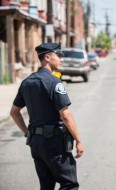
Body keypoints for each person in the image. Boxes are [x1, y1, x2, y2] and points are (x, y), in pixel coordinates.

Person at [10, 42, 84, 190]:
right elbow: (66, 115)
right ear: (48, 57)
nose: (62, 59)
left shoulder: (27, 82)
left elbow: (14, 112)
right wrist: (78, 140)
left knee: (46, 186)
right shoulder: (53, 82)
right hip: (54, 143)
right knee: (69, 184)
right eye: (59, 56)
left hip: (36, 143)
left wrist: (27, 133)